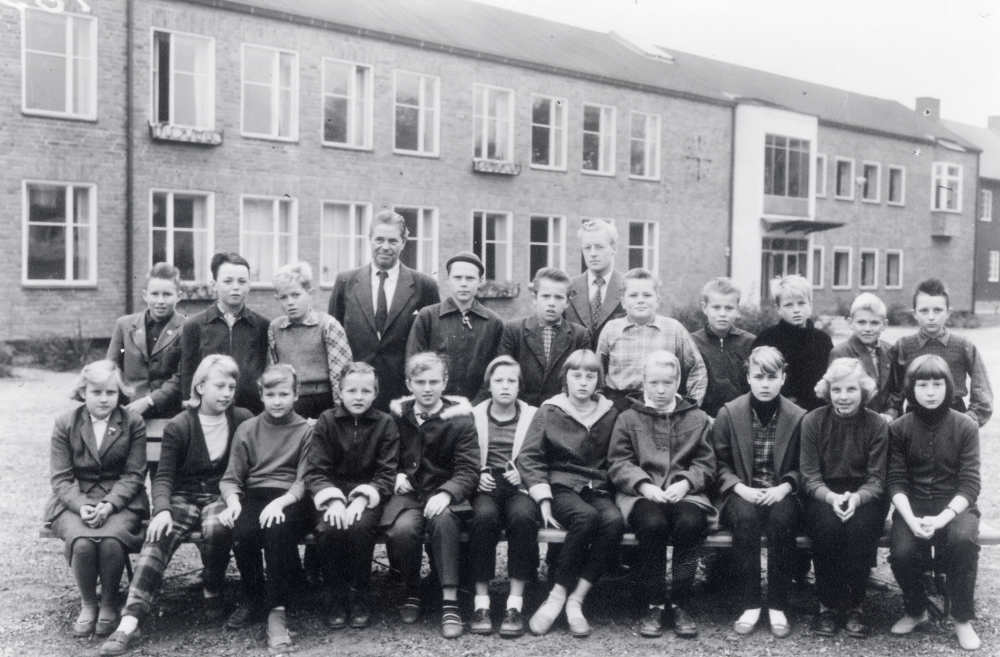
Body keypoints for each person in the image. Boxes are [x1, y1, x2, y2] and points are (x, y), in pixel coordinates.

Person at [100, 355, 253, 657]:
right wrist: (163, 511)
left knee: (219, 526)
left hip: (220, 493)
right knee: (158, 536)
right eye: (219, 385)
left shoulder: (243, 419)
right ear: (199, 386)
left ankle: (212, 586)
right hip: (182, 495)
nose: (226, 393)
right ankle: (129, 623)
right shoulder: (180, 425)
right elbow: (163, 477)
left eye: (231, 387)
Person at [608, 351, 716, 639]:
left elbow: (706, 462)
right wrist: (643, 485)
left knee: (690, 525)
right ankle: (654, 603)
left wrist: (685, 483)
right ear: (643, 381)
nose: (660, 389)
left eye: (667, 383)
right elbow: (618, 461)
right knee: (652, 526)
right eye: (653, 382)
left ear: (678, 382)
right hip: (643, 494)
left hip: (686, 493)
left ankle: (680, 602)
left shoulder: (697, 417)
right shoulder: (628, 418)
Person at [517, 349, 623, 638]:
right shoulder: (550, 410)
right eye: (576, 375)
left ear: (599, 380)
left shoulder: (610, 412)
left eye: (591, 376)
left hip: (597, 486)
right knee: (585, 518)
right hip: (561, 486)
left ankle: (576, 598)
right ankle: (556, 597)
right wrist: (543, 497)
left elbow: (618, 457)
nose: (583, 382)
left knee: (613, 522)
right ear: (565, 378)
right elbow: (528, 457)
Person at [46, 360, 149, 638]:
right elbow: (61, 478)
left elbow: (134, 474)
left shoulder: (133, 422)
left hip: (122, 499)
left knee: (112, 541)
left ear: (120, 394)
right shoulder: (65, 423)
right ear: (83, 392)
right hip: (74, 499)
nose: (104, 399)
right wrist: (83, 507)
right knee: (82, 543)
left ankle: (108, 603)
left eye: (111, 393)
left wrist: (109, 504)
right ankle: (89, 603)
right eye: (97, 392)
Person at [381, 353, 479, 639]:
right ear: (409, 384)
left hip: (444, 492)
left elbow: (469, 468)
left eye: (434, 381)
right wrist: (396, 474)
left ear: (445, 382)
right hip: (409, 495)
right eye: (420, 382)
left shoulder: (459, 419)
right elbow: (384, 457)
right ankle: (413, 589)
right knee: (402, 530)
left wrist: (448, 492)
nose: (427, 388)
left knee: (445, 522)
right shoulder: (397, 416)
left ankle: (450, 600)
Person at [888, 355, 982, 651]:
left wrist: (942, 518)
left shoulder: (965, 426)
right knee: (902, 551)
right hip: (911, 506)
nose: (930, 392)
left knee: (962, 540)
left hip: (955, 507)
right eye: (922, 384)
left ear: (949, 387)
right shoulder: (899, 428)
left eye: (937, 384)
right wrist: (911, 519)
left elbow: (970, 483)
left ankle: (962, 618)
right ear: (910, 388)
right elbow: (896, 480)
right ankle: (916, 609)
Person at [711, 346, 806, 638]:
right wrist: (739, 488)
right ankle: (750, 603)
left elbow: (807, 466)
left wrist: (785, 486)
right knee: (746, 520)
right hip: (740, 492)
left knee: (782, 520)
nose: (765, 384)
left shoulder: (799, 416)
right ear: (748, 378)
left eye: (772, 377)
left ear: (783, 378)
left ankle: (777, 604)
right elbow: (718, 464)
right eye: (758, 377)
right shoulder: (729, 413)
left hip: (781, 492)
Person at [217, 364, 313, 651]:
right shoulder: (248, 428)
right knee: (243, 531)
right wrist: (233, 500)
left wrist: (281, 502)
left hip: (292, 498)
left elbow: (304, 479)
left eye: (284, 394)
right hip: (256, 493)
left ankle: (277, 610)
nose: (277, 401)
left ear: (296, 395)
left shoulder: (306, 430)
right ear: (261, 395)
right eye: (270, 394)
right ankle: (252, 595)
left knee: (276, 529)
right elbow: (231, 477)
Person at [800, 358, 888, 639]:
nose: (844, 396)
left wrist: (857, 498)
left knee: (859, 529)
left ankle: (854, 606)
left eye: (851, 389)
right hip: (824, 492)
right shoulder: (813, 421)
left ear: (863, 391)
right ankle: (826, 606)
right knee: (826, 528)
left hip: (865, 494)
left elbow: (878, 479)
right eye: (837, 389)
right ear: (828, 391)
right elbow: (809, 476)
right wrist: (831, 498)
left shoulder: (876, 425)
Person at [307, 362, 399, 631]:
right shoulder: (327, 420)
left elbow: (387, 471)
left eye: (365, 391)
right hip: (332, 491)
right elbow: (316, 469)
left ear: (376, 393)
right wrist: (333, 498)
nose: (358, 397)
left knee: (360, 527)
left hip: (368, 493)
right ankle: (334, 594)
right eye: (352, 390)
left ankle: (359, 593)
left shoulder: (385, 423)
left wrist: (364, 496)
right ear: (340, 392)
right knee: (328, 527)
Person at [328, 209, 440, 412]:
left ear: (404, 243)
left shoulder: (425, 285)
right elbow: (333, 338)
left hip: (402, 396)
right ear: (369, 239)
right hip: (358, 395)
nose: (385, 247)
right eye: (379, 239)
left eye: (393, 241)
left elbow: (432, 344)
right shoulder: (346, 281)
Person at [467, 356, 541, 638]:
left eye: (512, 381)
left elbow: (540, 453)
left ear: (520, 386)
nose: (505, 386)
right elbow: (464, 453)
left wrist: (522, 473)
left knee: (523, 517)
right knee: (483, 518)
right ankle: (481, 602)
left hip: (519, 484)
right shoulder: (474, 415)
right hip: (485, 483)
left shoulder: (533, 415)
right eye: (499, 381)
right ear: (489, 385)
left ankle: (515, 603)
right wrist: (477, 474)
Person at [886, 278, 992, 427]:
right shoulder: (903, 345)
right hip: (914, 418)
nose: (931, 317)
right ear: (914, 313)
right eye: (924, 310)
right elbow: (896, 391)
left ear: (948, 313)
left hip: (954, 416)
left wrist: (970, 418)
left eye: (937, 310)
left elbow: (982, 388)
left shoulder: (963, 345)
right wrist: (891, 414)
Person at [597, 268, 707, 410]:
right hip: (619, 406)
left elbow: (697, 370)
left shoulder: (673, 329)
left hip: (661, 406)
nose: (640, 300)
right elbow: (597, 371)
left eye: (647, 295)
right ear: (623, 302)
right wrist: (600, 405)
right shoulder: (611, 329)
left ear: (657, 300)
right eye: (633, 295)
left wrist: (691, 407)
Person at [407, 252, 504, 400]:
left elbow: (496, 371)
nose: (463, 283)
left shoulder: (493, 322)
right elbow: (414, 364)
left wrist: (476, 405)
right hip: (434, 404)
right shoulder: (428, 316)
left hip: (476, 408)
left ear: (481, 281)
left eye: (470, 278)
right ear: (448, 280)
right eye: (457, 277)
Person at [180, 253, 269, 414]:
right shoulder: (194, 325)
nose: (235, 287)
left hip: (251, 412)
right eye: (228, 281)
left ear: (249, 285)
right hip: (208, 412)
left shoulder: (262, 325)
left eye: (242, 281)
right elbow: (188, 374)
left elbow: (264, 370)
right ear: (214, 284)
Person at [497, 267, 591, 407]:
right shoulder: (514, 330)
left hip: (562, 412)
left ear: (567, 302)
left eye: (559, 297)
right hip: (521, 410)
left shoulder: (580, 335)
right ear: (534, 298)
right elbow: (504, 374)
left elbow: (582, 379)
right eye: (546, 296)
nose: (551, 303)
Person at [268, 262, 352, 419]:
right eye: (283, 297)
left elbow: (341, 376)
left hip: (323, 403)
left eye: (296, 295)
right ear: (277, 299)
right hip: (289, 403)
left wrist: (339, 415)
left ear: (310, 293)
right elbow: (273, 373)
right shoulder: (275, 328)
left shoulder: (328, 325)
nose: (290, 302)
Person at [106, 263, 185, 421]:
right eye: (154, 294)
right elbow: (111, 368)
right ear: (145, 295)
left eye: (167, 294)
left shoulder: (187, 327)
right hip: (128, 410)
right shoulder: (124, 325)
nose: (160, 301)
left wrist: (151, 401)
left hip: (170, 412)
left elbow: (182, 376)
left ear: (179, 296)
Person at [752, 275, 833, 412]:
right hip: (777, 413)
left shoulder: (822, 340)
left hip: (816, 413)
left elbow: (830, 380)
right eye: (788, 305)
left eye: (801, 303)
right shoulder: (766, 339)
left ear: (810, 305)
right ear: (778, 309)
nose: (796, 310)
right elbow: (757, 381)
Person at [690, 277, 756, 418]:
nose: (722, 314)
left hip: (741, 419)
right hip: (703, 420)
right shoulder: (692, 342)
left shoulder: (749, 342)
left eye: (729, 308)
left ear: (737, 310)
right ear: (704, 308)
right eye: (716, 307)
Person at [829, 293, 894, 419]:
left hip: (888, 421)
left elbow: (896, 391)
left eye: (874, 323)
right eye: (861, 322)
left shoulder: (891, 350)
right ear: (850, 323)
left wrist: (890, 414)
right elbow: (839, 395)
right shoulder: (840, 353)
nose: (868, 328)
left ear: (884, 325)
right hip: (857, 421)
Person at [564, 219, 626, 350]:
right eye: (587, 248)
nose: (592, 254)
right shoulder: (568, 287)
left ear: (614, 249)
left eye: (599, 247)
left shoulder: (628, 287)